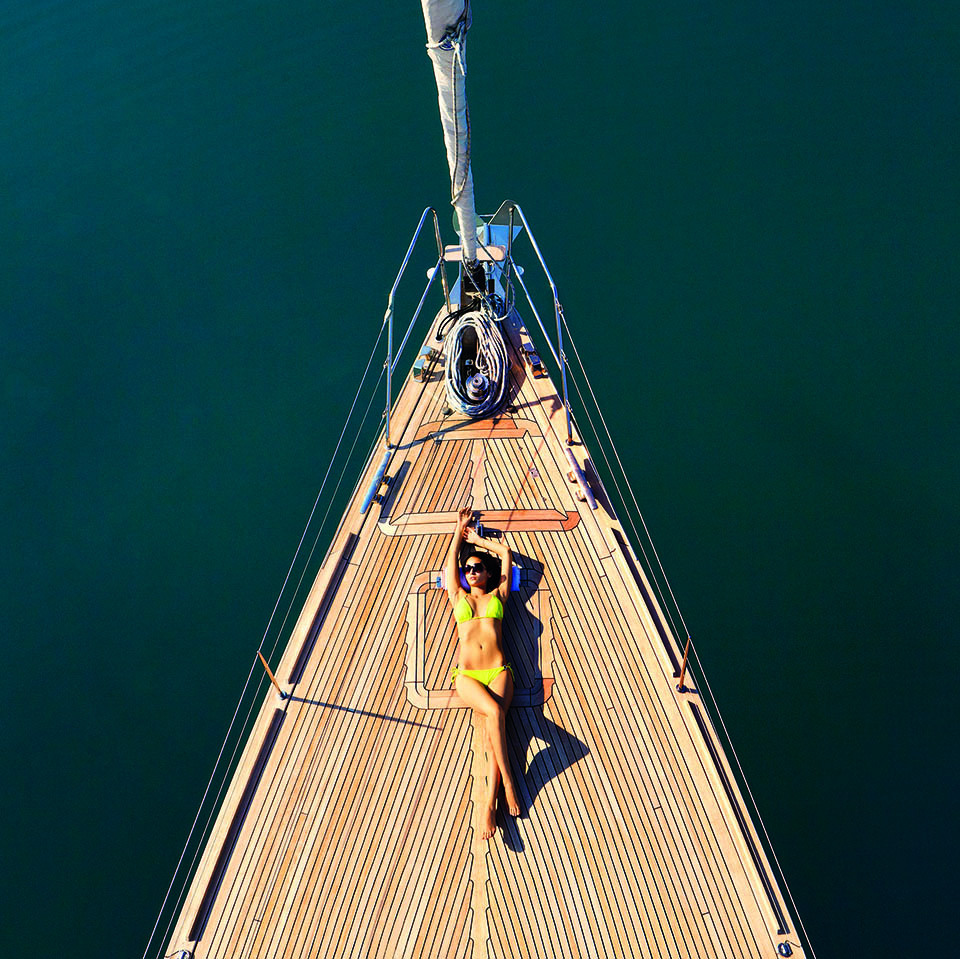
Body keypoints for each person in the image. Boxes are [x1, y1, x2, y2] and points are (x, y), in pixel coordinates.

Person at [446, 506, 521, 839]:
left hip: (498, 671)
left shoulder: (499, 596)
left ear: (488, 574)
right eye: (468, 568)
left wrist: (478, 540)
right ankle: (509, 782)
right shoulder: (457, 596)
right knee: (493, 714)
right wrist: (457, 533)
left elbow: (505, 553)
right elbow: (450, 567)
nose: (471, 571)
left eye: (478, 568)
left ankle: (488, 807)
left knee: (496, 733)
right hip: (468, 676)